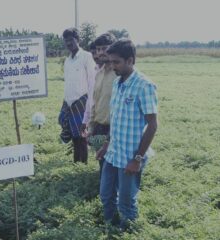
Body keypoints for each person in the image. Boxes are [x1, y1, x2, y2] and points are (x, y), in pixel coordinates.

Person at [96, 39, 158, 230]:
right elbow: (115, 120)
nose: (112, 66)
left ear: (130, 60)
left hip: (130, 157)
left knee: (126, 203)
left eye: (116, 62)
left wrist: (137, 159)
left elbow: (152, 125)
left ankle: (128, 231)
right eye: (110, 61)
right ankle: (110, 228)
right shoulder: (116, 83)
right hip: (113, 153)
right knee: (106, 195)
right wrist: (106, 145)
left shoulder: (144, 85)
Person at [81, 33, 117, 183]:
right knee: (102, 161)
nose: (100, 52)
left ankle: (109, 196)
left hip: (114, 129)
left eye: (104, 48)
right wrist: (90, 127)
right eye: (98, 49)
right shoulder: (99, 73)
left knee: (113, 166)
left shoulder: (119, 74)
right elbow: (94, 102)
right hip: (99, 127)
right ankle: (104, 193)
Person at [58, 27, 96, 163]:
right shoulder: (67, 61)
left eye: (71, 40)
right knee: (74, 138)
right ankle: (76, 163)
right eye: (66, 41)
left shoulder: (87, 57)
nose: (69, 43)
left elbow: (92, 83)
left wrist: (90, 106)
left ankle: (83, 165)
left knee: (82, 136)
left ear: (78, 40)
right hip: (69, 103)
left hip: (82, 102)